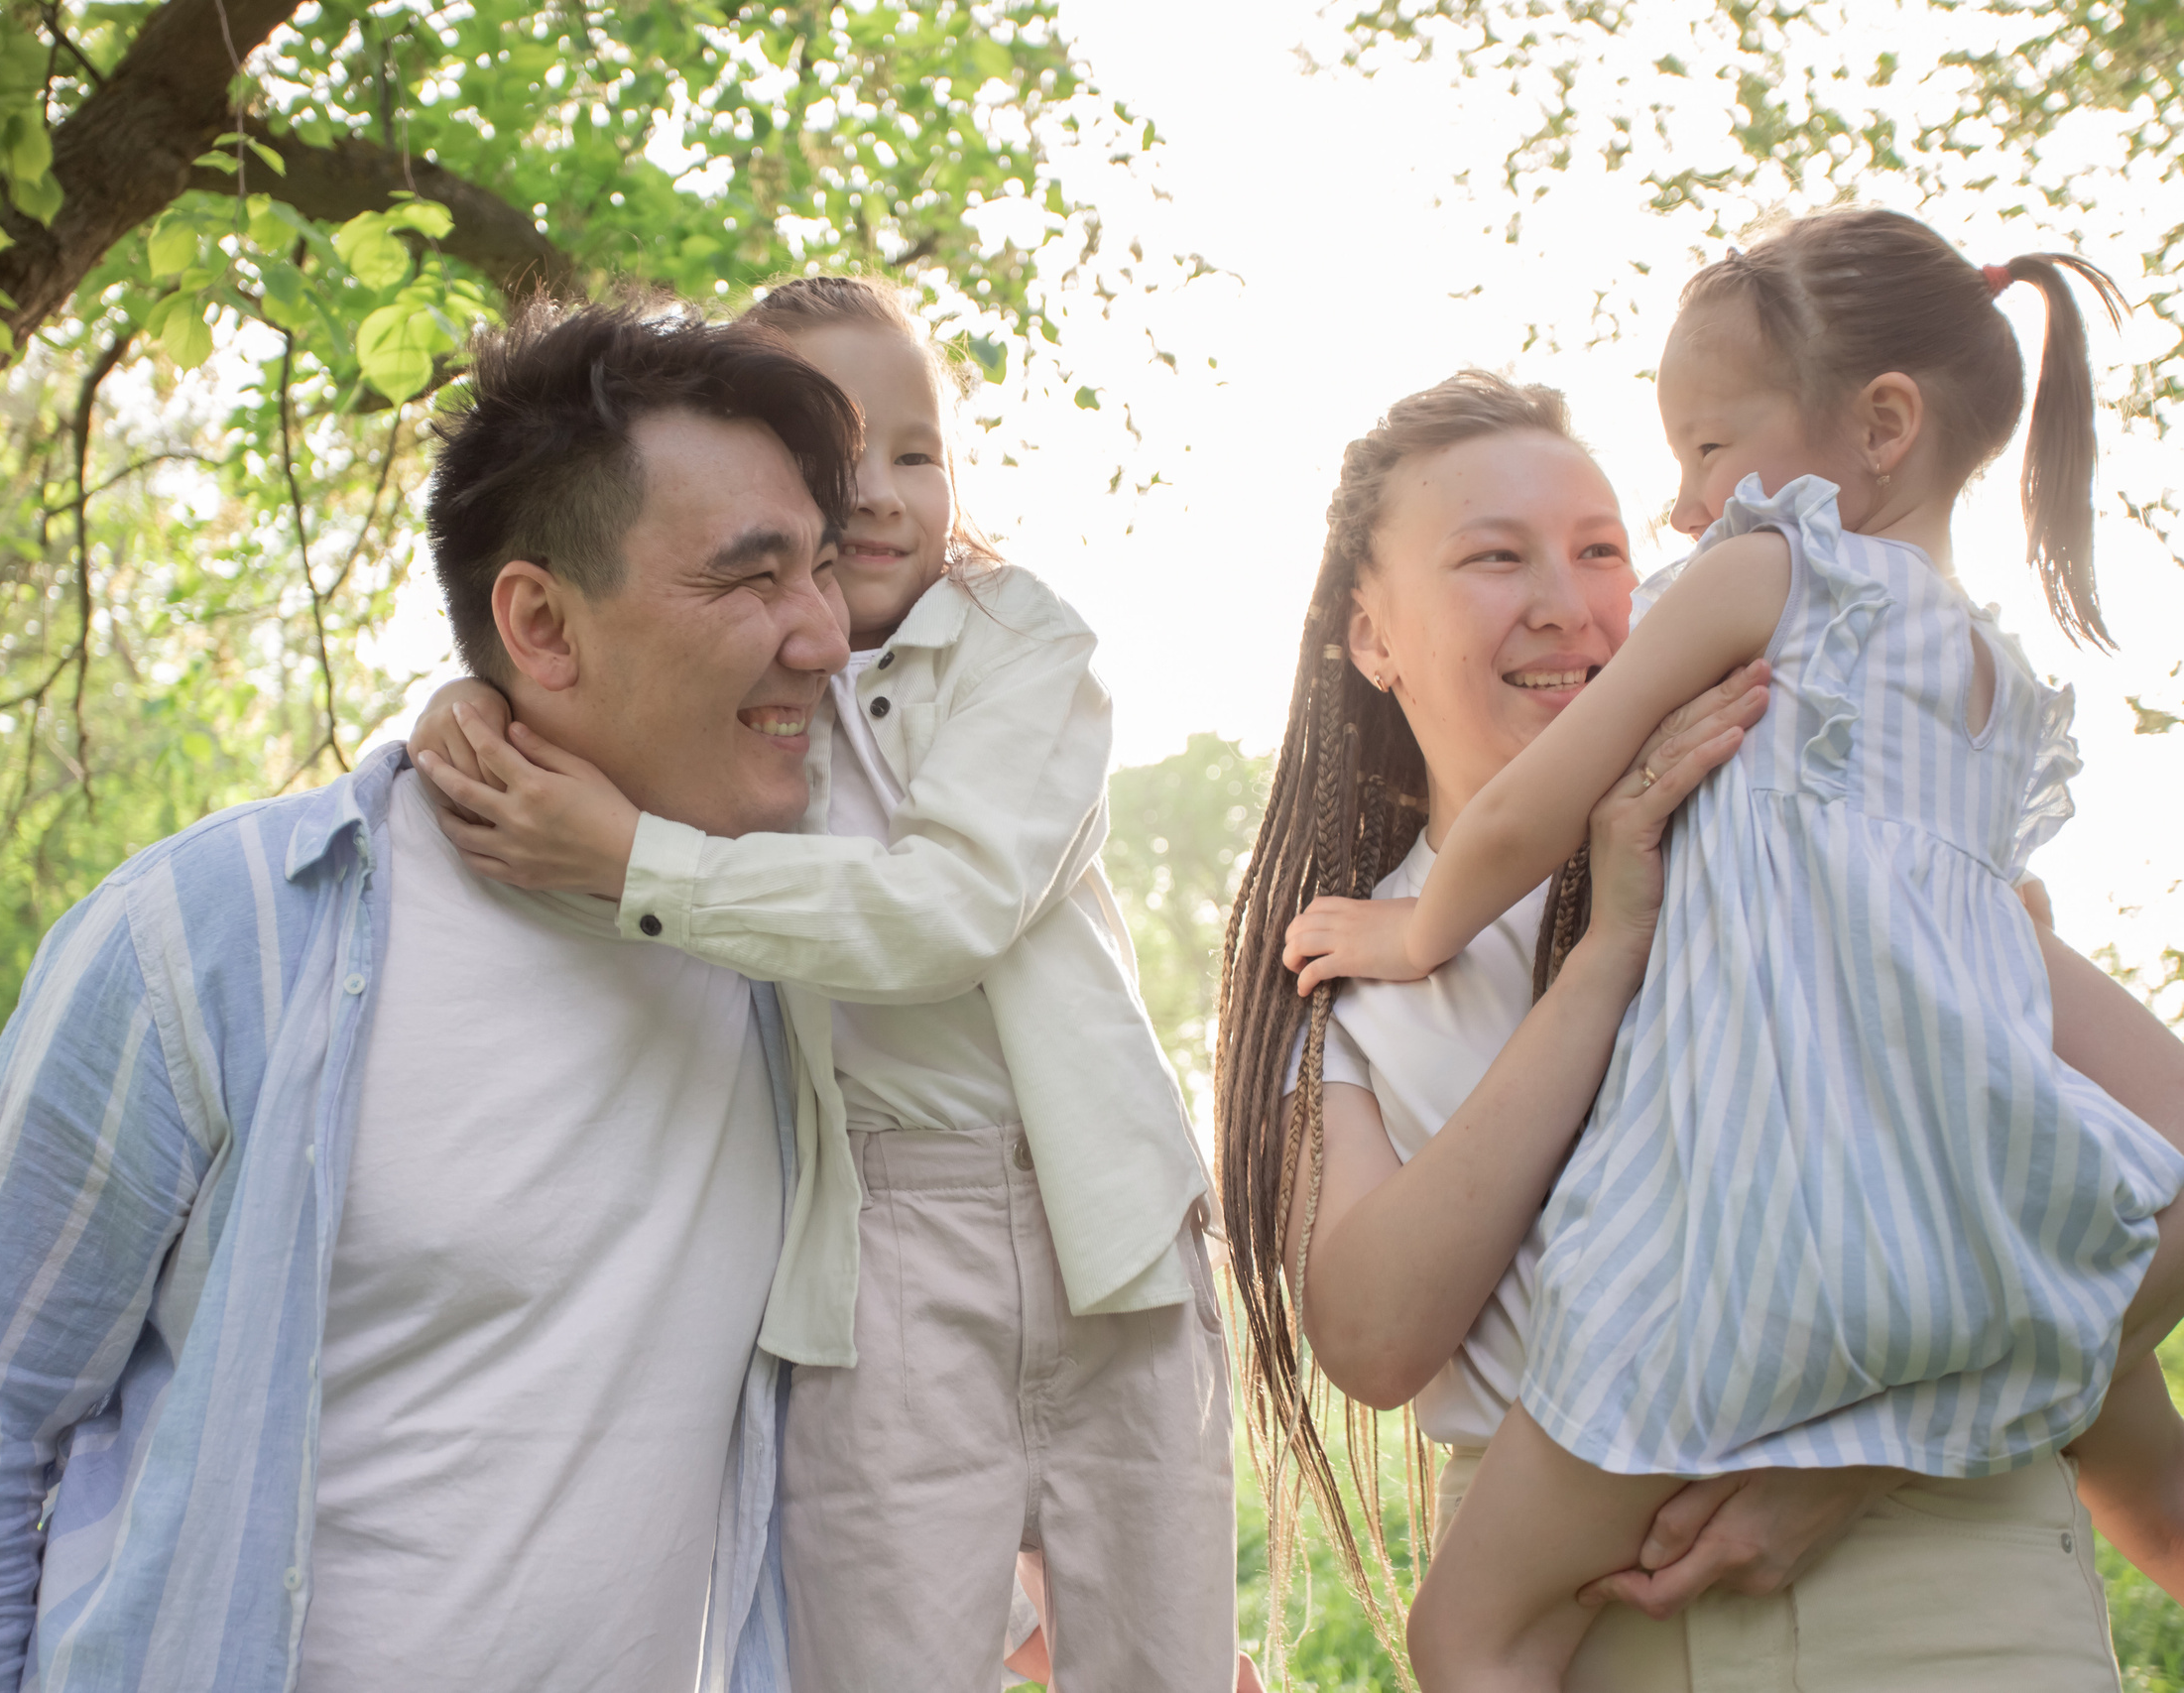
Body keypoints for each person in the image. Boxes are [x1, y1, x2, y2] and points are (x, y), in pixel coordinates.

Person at [0, 302, 864, 1693]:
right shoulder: (209, 939)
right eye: (751, 579)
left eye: (824, 572)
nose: (827, 639)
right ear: (539, 623)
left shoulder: (805, 951)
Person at [1288, 210, 2184, 1689]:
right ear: (1367, 633)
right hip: (1620, 1613)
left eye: (1604, 550)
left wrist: (1869, 1454)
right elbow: (1375, 1340)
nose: (1578, 598)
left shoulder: (1816, 811)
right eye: (1493, 557)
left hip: (1933, 1577)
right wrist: (1605, 949)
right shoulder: (1347, 981)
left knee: (1468, 1635)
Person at [410, 275, 1234, 1691]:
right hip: (880, 1249)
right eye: (838, 460)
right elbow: (579, 676)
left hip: (1104, 1223)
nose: (883, 493)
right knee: (880, 1655)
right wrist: (468, 703)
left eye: (919, 452)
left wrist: (640, 866)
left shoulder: (1027, 649)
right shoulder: (755, 684)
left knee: (1161, 1658)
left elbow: (947, 907)